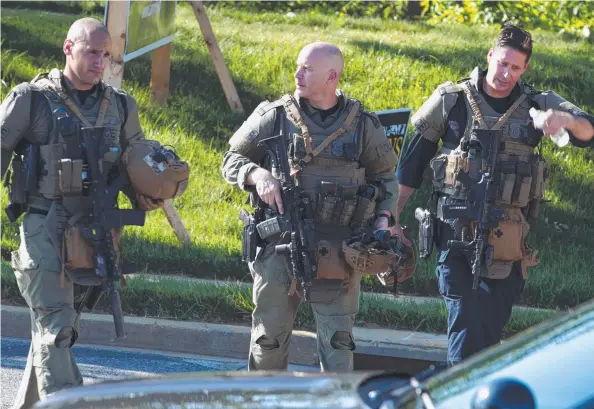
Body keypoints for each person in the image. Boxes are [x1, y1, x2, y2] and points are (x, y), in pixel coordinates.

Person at [394, 23, 594, 367]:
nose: (506, 74)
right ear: (490, 55)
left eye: (515, 68)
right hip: (456, 241)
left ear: (525, 68)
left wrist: (561, 118)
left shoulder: (536, 104)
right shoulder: (451, 100)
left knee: (490, 337)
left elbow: (588, 130)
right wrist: (391, 219)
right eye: (502, 63)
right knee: (467, 330)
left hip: (508, 247)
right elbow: (409, 169)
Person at [0, 18, 164, 408]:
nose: (99, 62)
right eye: (92, 51)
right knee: (56, 325)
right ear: (68, 47)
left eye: (106, 55)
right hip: (45, 223)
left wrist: (152, 188)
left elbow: (136, 158)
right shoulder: (32, 99)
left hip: (96, 231)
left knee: (60, 329)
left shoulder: (121, 105)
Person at [222, 42, 400, 371]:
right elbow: (231, 159)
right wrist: (256, 174)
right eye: (298, 66)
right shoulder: (273, 117)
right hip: (279, 247)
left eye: (307, 68)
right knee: (268, 342)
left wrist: (385, 218)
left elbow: (386, 177)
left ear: (332, 76)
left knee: (338, 346)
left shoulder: (362, 124)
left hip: (339, 249)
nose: (297, 73)